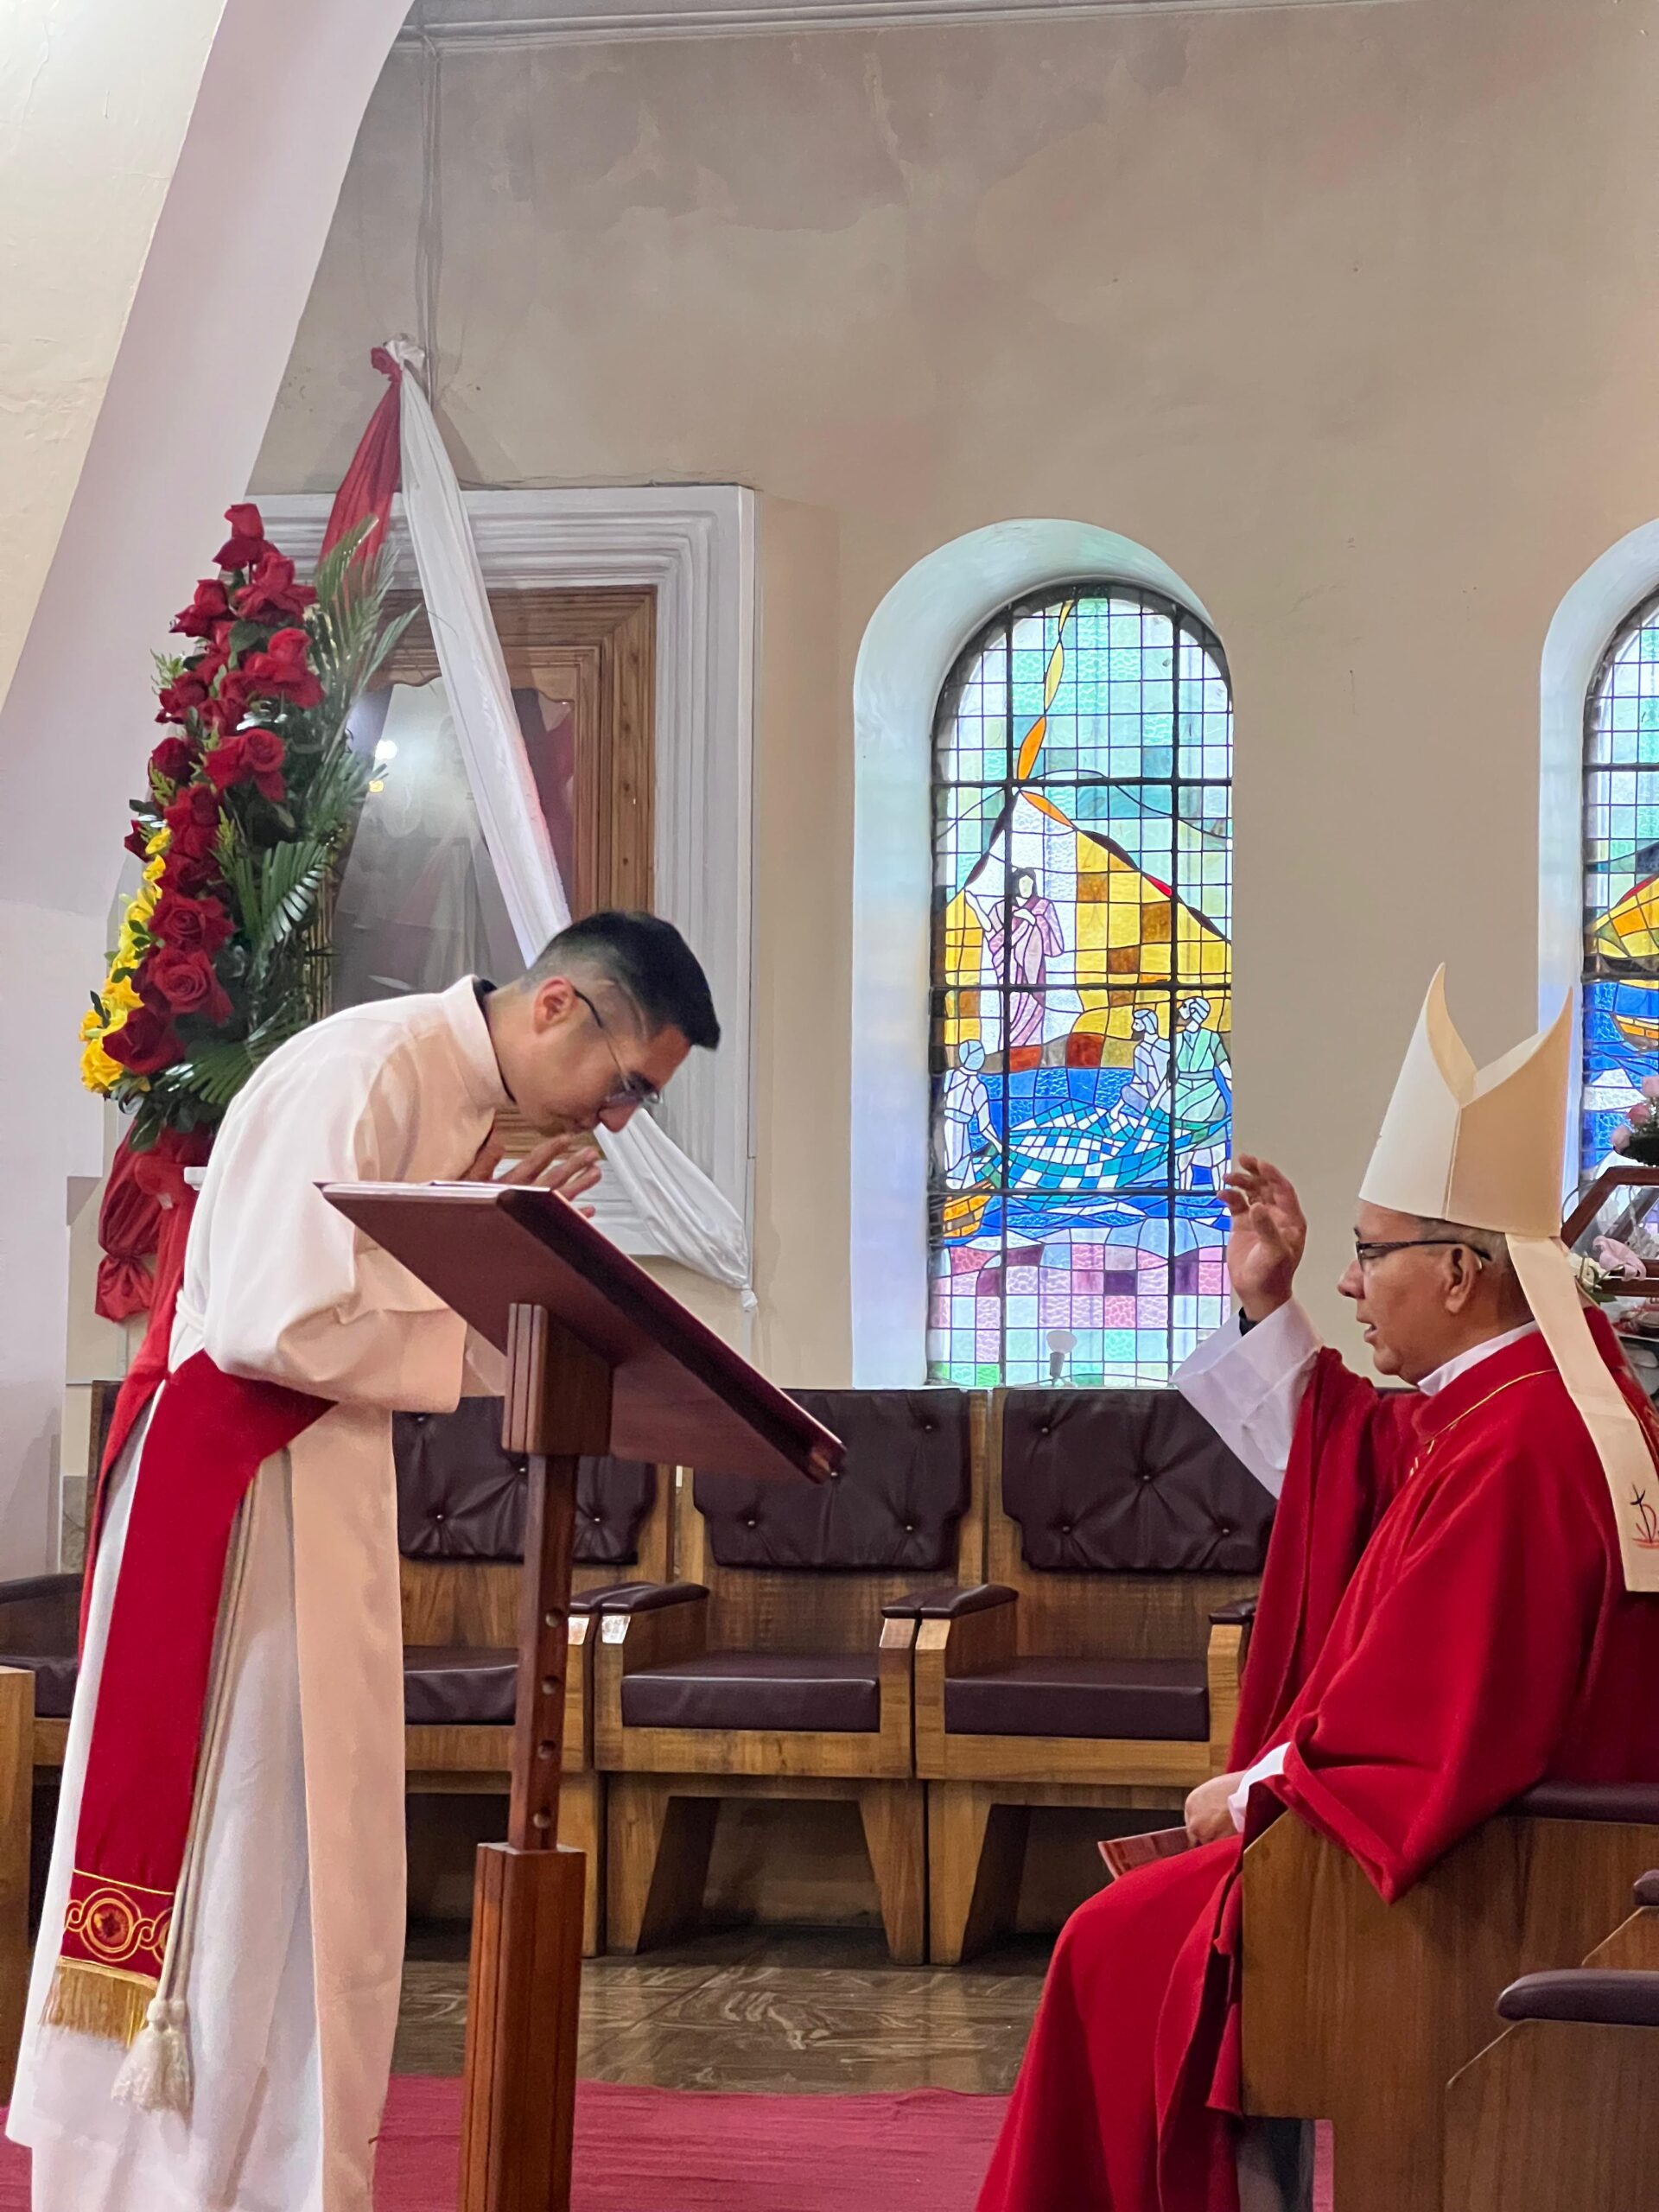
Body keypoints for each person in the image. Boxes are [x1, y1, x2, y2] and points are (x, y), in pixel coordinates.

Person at [9, 910, 720, 2212]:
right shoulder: (371, 1068)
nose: (618, 1120)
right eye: (627, 1086)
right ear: (559, 1005)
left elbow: (365, 1288)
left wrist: (504, 1244)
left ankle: (276, 2171)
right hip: (237, 1500)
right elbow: (281, 1320)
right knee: (244, 1844)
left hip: (313, 1485)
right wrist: (489, 1289)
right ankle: (168, 2176)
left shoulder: (455, 1097)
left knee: (317, 1854)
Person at [976, 969, 1659, 2212]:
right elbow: (1362, 1471)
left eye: (1366, 1254)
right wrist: (1265, 1300)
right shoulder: (1536, 1404)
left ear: (1458, 1275)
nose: (1352, 1284)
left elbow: (1438, 1722)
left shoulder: (1520, 1450)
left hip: (1504, 1878)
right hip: (1543, 1850)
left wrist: (1247, 1789)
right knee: (1141, 1926)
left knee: (1109, 1944)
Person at [941, 1039, 999, 1185]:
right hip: (959, 1135)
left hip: (942, 1129)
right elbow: (984, 1127)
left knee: (948, 1168)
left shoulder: (949, 1076)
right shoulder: (977, 1087)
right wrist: (1000, 1146)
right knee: (960, 1174)